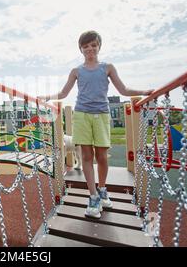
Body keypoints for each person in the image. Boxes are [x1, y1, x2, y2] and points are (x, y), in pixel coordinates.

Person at [37, 30, 153, 219]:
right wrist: (47, 97)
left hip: (101, 115)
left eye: (93, 45)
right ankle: (92, 198)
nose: (90, 49)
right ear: (81, 49)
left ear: (99, 46)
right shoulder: (76, 71)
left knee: (102, 156)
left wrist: (144, 91)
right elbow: (64, 93)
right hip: (82, 115)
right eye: (86, 46)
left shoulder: (107, 67)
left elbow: (123, 89)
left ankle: (102, 190)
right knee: (87, 156)